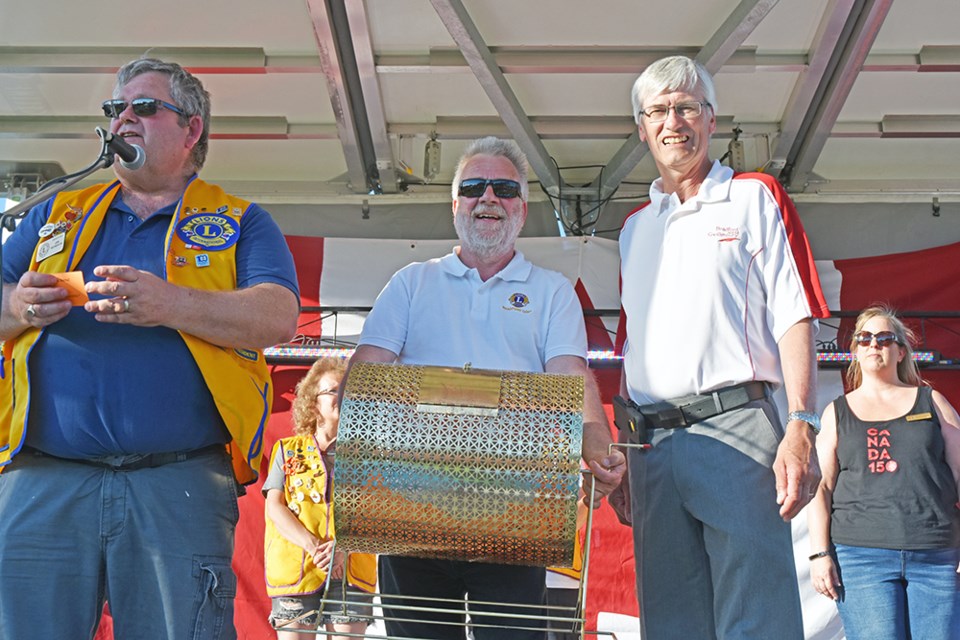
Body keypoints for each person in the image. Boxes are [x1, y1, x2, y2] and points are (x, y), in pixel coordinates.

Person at [0, 57, 300, 639]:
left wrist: (169, 305)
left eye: (143, 107)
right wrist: (17, 307)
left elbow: (277, 315)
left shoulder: (240, 220)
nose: (124, 120)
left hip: (177, 482)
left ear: (192, 130)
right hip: (44, 479)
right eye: (115, 110)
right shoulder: (53, 214)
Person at [345, 136, 626, 639]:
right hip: (413, 512)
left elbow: (572, 376)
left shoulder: (552, 290)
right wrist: (344, 452)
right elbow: (365, 375)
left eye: (504, 188)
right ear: (455, 205)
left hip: (516, 509)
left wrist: (601, 450)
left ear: (522, 208)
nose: (488, 197)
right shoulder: (410, 282)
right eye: (474, 187)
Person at [616, 55, 830, 639]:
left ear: (712, 120)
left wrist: (802, 422)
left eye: (686, 107)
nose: (672, 121)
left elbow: (796, 312)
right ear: (641, 127)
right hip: (653, 446)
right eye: (657, 110)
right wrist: (627, 453)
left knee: (757, 622)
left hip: (736, 424)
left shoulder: (755, 196)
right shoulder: (634, 228)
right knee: (671, 624)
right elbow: (629, 350)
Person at [808, 306, 960, 639]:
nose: (874, 344)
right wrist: (820, 554)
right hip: (862, 558)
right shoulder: (837, 411)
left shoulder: (932, 401)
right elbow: (821, 488)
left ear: (901, 351)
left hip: (936, 554)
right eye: (864, 338)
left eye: (885, 338)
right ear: (855, 352)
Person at [264, 357, 376, 640]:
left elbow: (374, 510)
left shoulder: (367, 455)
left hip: (350, 569)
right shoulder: (286, 449)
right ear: (313, 403)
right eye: (333, 390)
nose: (341, 396)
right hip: (296, 570)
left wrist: (342, 547)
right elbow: (275, 506)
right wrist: (314, 547)